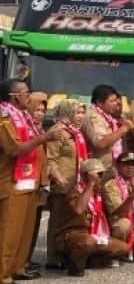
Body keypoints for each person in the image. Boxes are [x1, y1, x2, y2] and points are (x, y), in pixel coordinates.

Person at [0, 79, 62, 284]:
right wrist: (45, 137)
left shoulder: (24, 117)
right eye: (26, 93)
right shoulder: (5, 118)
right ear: (14, 97)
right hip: (11, 182)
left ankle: (17, 267)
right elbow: (15, 150)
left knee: (24, 230)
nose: (30, 96)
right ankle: (2, 275)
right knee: (9, 230)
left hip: (29, 180)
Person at [55, 159, 129, 277]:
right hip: (73, 234)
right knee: (87, 242)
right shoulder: (75, 192)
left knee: (123, 248)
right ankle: (74, 264)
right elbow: (79, 210)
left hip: (95, 234)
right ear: (85, 176)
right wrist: (90, 184)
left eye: (101, 174)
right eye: (98, 175)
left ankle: (87, 261)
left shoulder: (98, 192)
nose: (100, 178)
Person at [45, 99, 88, 269]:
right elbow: (51, 158)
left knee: (70, 220)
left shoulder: (76, 133)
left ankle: (66, 253)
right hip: (62, 185)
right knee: (56, 221)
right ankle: (53, 258)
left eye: (82, 112)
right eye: (77, 112)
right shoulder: (58, 131)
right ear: (67, 112)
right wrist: (57, 176)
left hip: (75, 184)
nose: (81, 116)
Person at [81, 84, 132, 172]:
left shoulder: (106, 116)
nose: (116, 104)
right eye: (112, 101)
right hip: (98, 169)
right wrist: (124, 128)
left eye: (116, 100)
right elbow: (101, 143)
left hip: (109, 166)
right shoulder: (93, 117)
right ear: (99, 102)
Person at [25, 91, 49, 271]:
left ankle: (26, 258)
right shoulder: (24, 128)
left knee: (34, 223)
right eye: (36, 109)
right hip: (25, 180)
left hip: (40, 182)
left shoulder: (40, 129)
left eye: (43, 110)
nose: (40, 113)